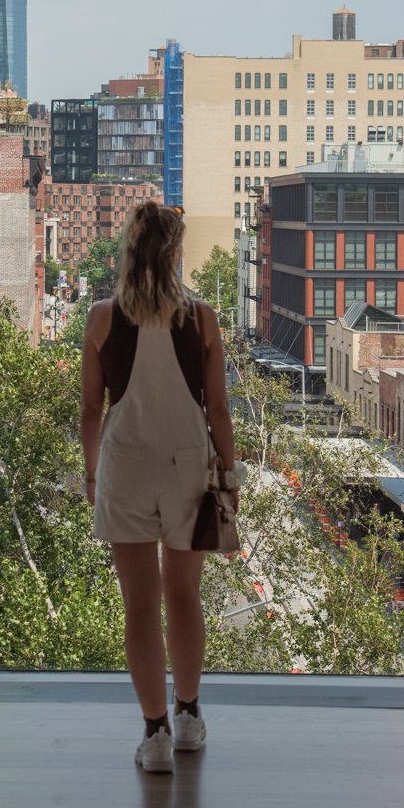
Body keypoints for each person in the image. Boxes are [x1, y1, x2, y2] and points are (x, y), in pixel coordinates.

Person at [80, 202, 241, 773]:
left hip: (124, 466)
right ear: (175, 253)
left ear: (128, 250)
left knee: (140, 606)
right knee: (183, 598)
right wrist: (230, 472)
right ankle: (190, 716)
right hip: (187, 466)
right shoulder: (202, 319)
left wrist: (94, 474)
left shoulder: (102, 318)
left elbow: (91, 412)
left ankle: (154, 737)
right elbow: (218, 408)